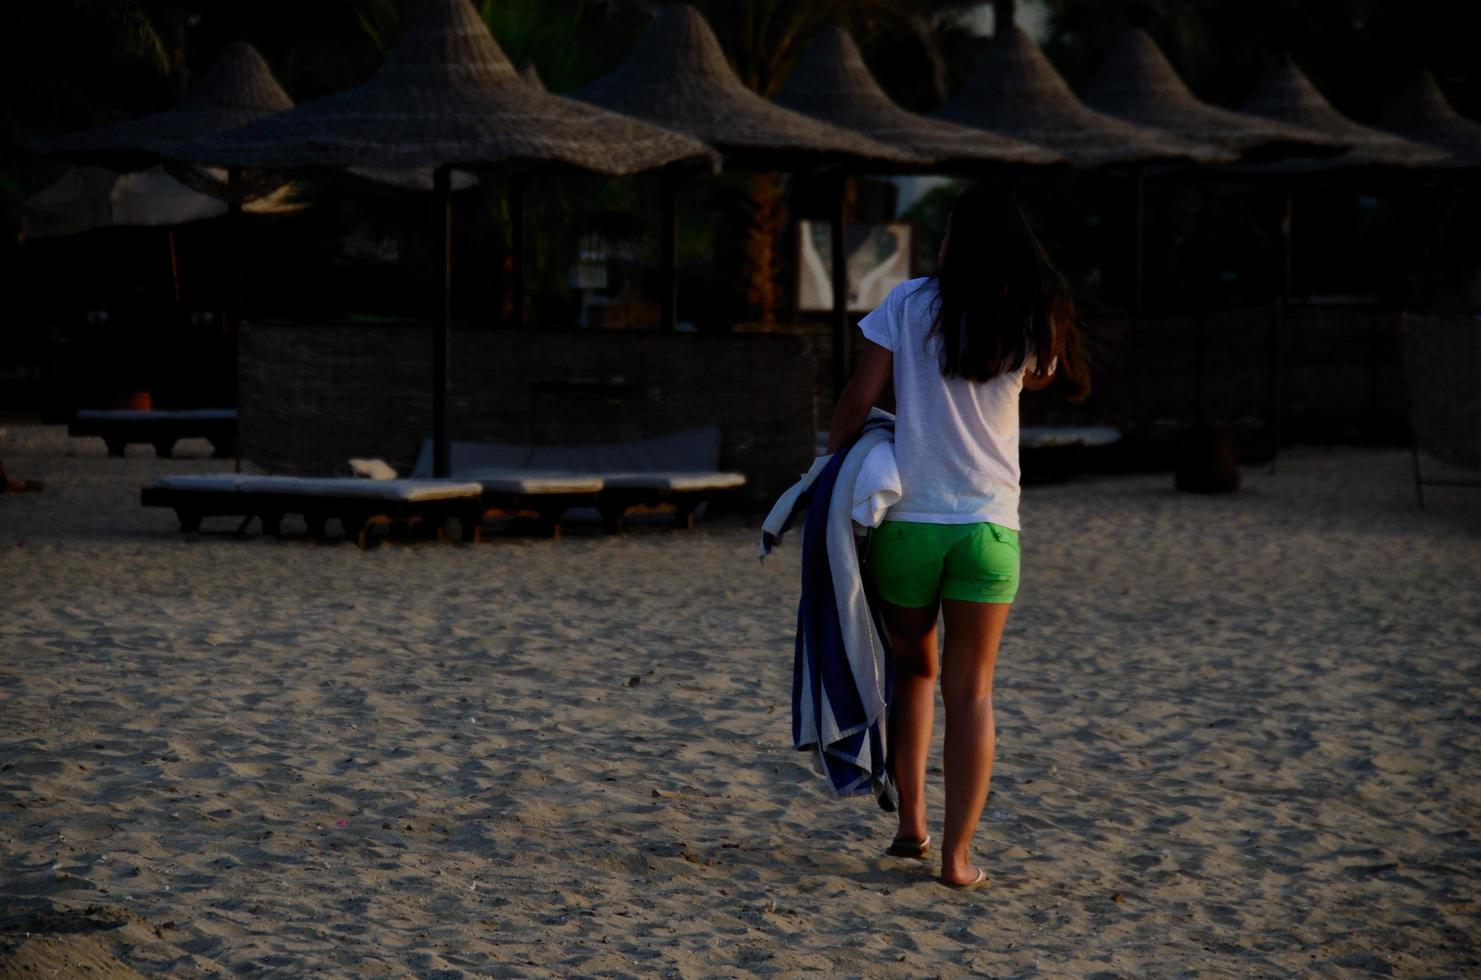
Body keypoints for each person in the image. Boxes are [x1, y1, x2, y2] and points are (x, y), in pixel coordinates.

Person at [825, 186, 1090, 888]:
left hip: (909, 525)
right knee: (971, 692)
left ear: (952, 242)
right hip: (988, 529)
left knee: (913, 670)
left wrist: (830, 464)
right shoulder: (1026, 315)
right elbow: (1034, 380)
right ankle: (956, 858)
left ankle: (909, 822)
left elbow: (858, 399)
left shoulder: (907, 302)